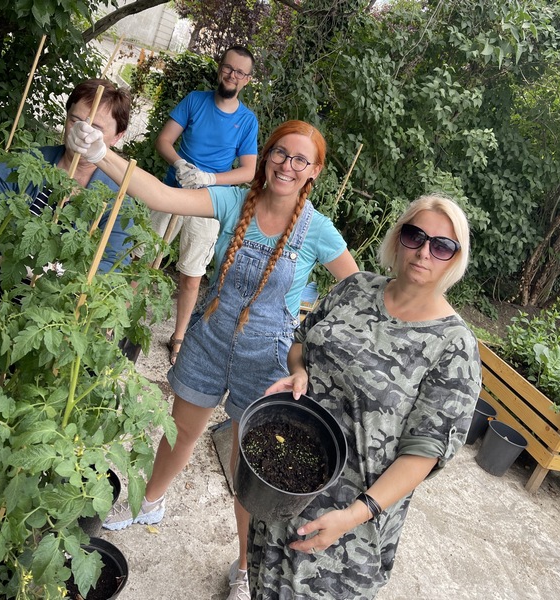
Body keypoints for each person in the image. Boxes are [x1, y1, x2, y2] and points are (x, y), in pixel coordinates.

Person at [67, 118, 359, 600]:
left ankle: (245, 566)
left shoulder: (318, 230)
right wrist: (102, 154)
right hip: (208, 339)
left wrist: (304, 355)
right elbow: (162, 197)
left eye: (300, 159)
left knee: (252, 471)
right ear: (266, 157)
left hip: (267, 361)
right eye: (280, 153)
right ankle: (149, 502)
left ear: (315, 172)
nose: (288, 165)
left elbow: (353, 296)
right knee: (179, 431)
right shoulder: (233, 201)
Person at [254, 194, 483, 599]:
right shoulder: (354, 289)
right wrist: (299, 371)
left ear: (455, 259)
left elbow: (423, 454)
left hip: (346, 524)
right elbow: (301, 344)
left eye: (442, 245)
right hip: (284, 477)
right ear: (399, 239)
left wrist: (353, 516)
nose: (424, 251)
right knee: (264, 583)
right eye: (415, 235)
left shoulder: (453, 346)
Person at [146, 45, 258, 365]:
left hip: (208, 202)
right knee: (143, 257)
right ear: (220, 68)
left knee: (192, 274)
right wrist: (181, 164)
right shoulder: (195, 100)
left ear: (247, 80)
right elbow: (164, 140)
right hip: (170, 190)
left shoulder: (247, 121)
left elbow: (249, 170)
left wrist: (210, 179)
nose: (232, 75)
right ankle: (121, 321)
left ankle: (178, 335)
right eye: (228, 68)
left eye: (239, 72)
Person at [0, 78, 134, 275]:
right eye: (75, 121)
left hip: (59, 303)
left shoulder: (118, 201)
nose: (82, 133)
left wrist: (64, 276)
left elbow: (112, 266)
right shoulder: (29, 164)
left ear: (117, 137)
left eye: (96, 129)